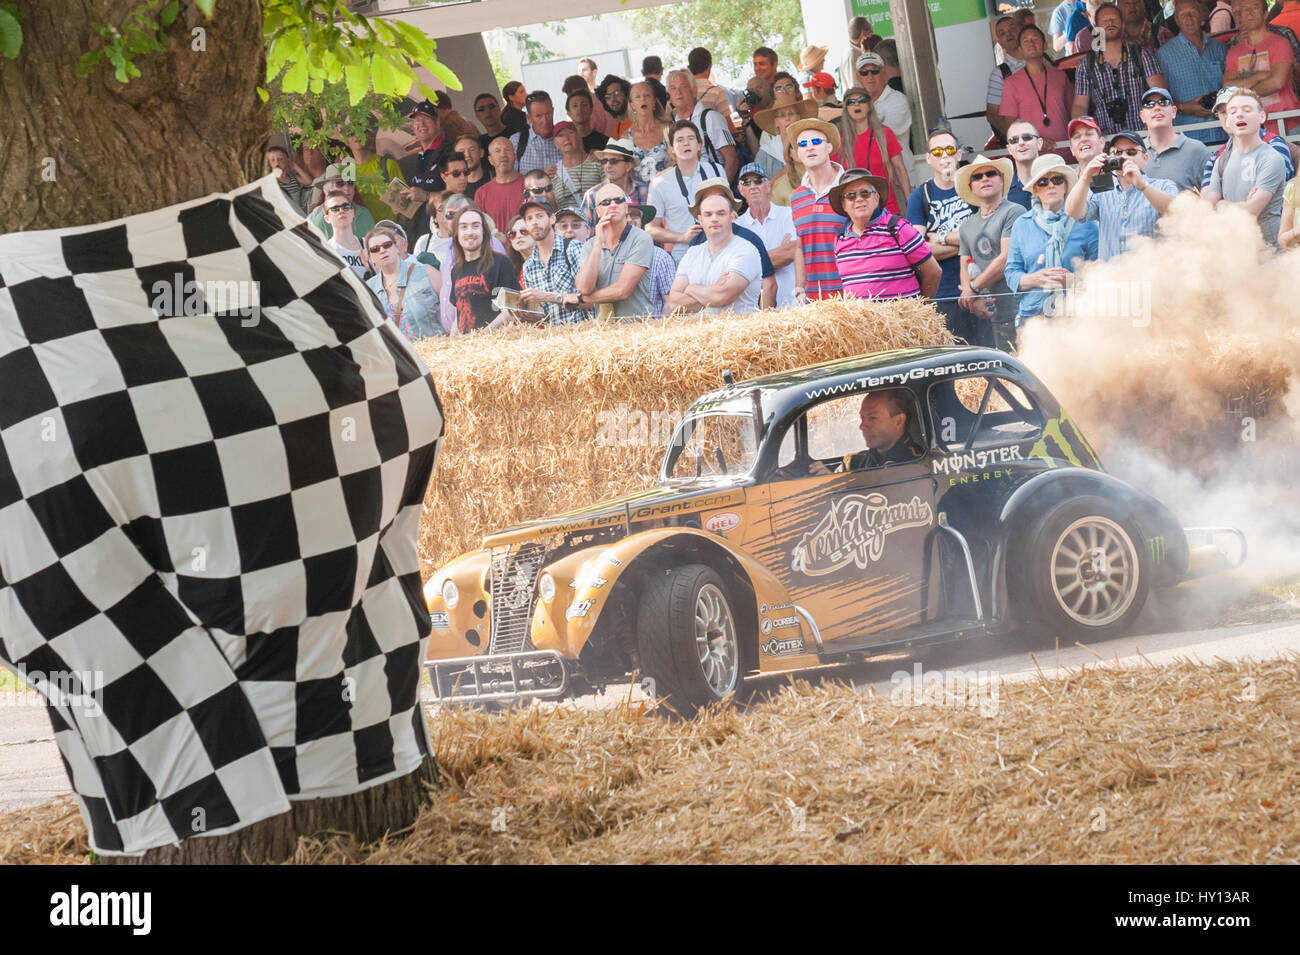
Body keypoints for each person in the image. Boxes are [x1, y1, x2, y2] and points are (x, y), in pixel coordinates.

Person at [1005, 155, 1100, 322]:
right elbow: (1011, 272)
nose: (1051, 185)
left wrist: (1073, 281)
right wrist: (1034, 278)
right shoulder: (1022, 224)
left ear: (1066, 185)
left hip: (1077, 315)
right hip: (1033, 317)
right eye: (1043, 181)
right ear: (1035, 189)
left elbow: (1102, 271)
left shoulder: (1086, 222)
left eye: (1057, 179)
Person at [907, 127, 977, 338]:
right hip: (942, 292)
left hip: (980, 288)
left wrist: (942, 239)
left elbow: (985, 239)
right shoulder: (920, 196)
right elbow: (919, 251)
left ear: (958, 154)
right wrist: (967, 241)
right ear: (928, 158)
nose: (944, 156)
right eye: (937, 152)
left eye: (949, 150)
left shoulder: (975, 187)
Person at [831, 167, 940, 301]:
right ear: (844, 205)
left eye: (865, 193)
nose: (858, 199)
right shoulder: (840, 238)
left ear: (876, 199)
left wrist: (921, 308)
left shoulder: (898, 228)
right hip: (859, 321)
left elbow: (933, 273)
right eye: (851, 195)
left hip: (901, 320)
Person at [1065, 130, 1178, 259]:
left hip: (1150, 275)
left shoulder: (1163, 185)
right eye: (1117, 153)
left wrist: (1142, 185)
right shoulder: (1101, 188)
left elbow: (1175, 210)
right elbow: (1072, 211)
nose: (1124, 157)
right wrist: (1085, 177)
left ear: (1145, 158)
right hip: (1111, 276)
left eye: (1131, 152)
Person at [955, 156, 1027, 351]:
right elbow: (965, 263)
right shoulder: (966, 225)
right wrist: (973, 299)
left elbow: (1006, 259)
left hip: (1017, 310)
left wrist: (973, 291)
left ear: (1002, 179)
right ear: (971, 186)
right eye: (977, 176)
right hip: (982, 313)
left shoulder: (1015, 211)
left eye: (990, 173)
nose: (984, 179)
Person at [1203, 88, 1287, 244]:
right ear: (1227, 120)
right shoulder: (1221, 160)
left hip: (1270, 254)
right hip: (1236, 253)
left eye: (1247, 110)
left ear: (1262, 116)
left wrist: (1223, 204)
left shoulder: (1271, 157)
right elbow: (1207, 209)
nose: (1239, 115)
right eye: (1232, 112)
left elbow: (1251, 211)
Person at [668, 183, 763, 315]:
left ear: (732, 217)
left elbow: (724, 296)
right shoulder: (692, 252)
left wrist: (691, 288)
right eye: (708, 214)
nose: (714, 219)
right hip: (699, 333)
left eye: (721, 213)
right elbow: (674, 303)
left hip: (737, 333)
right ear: (700, 220)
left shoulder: (745, 250)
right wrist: (713, 290)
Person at [1071, 3, 1166, 136]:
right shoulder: (1086, 64)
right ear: (1096, 28)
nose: (1110, 23)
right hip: (1107, 142)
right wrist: (1081, 134)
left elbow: (1160, 93)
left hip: (1143, 136)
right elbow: (1080, 106)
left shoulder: (1142, 54)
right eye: (1105, 21)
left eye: (1114, 19)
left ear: (1123, 25)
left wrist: (1154, 126)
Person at [574, 182, 657, 318]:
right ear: (598, 212)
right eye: (606, 202)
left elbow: (622, 290)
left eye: (618, 200)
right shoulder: (590, 245)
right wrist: (598, 244)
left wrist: (583, 299)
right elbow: (583, 288)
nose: (613, 205)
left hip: (638, 329)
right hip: (604, 329)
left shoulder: (641, 238)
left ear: (626, 208)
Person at [646, 122, 727, 262]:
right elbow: (650, 229)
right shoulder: (659, 183)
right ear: (671, 148)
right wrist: (682, 237)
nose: (686, 144)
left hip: (721, 250)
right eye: (680, 140)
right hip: (684, 257)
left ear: (699, 145)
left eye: (691, 138)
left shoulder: (716, 170)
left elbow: (730, 210)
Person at [788, 117, 847, 299]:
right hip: (813, 301)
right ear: (798, 153)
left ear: (829, 147)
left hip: (851, 297)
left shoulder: (850, 189)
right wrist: (799, 289)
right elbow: (800, 246)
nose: (809, 147)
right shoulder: (796, 197)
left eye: (815, 141)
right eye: (803, 144)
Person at [1157, 0, 1229, 143]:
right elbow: (1160, 98)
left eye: (1193, 13)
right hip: (1188, 136)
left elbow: (1231, 86)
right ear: (1176, 20)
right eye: (1183, 14)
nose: (1188, 18)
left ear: (1202, 17)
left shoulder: (1219, 48)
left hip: (1224, 130)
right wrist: (1184, 107)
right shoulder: (1164, 54)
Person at [807, 391, 924, 476]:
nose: (862, 426)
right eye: (862, 418)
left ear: (898, 421)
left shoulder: (917, 462)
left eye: (872, 418)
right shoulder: (853, 463)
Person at [517, 197, 593, 324]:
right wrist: (524, 315)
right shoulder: (528, 266)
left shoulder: (573, 248)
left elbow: (592, 299)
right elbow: (544, 316)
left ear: (552, 219)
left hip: (583, 335)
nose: (534, 222)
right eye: (529, 218)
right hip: (554, 340)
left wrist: (550, 297)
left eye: (539, 216)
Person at [736, 164, 803, 307]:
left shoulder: (789, 214)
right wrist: (779, 252)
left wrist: (752, 264)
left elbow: (794, 250)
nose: (753, 186)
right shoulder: (736, 226)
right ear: (740, 190)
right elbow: (738, 267)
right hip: (754, 311)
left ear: (768, 186)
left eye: (758, 180)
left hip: (792, 304)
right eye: (746, 183)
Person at [364, 225, 443, 340]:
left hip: (435, 351)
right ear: (370, 257)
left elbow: (453, 306)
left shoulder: (426, 272)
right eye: (375, 249)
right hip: (398, 356)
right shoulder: (369, 288)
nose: (382, 251)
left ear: (396, 248)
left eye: (387, 245)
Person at [1001, 25, 1075, 148]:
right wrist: (1034, 141)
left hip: (1065, 150)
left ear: (1045, 45)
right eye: (1026, 41)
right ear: (1020, 49)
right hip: (1033, 157)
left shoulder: (1060, 75)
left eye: (1035, 39)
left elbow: (1073, 113)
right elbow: (1010, 126)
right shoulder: (1010, 83)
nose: (1031, 43)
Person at [1223, 0, 1300, 118]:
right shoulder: (1234, 50)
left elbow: (1277, 82)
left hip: (1285, 119)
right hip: (1252, 122)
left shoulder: (1281, 42)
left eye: (1254, 7)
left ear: (1265, 14)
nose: (1249, 12)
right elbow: (1227, 87)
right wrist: (1259, 76)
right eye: (1244, 9)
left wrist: (1239, 94)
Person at [448, 207, 520, 333]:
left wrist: (483, 335)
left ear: (484, 232)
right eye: (463, 227)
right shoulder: (456, 271)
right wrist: (452, 343)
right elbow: (458, 317)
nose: (469, 232)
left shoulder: (501, 263)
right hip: (466, 348)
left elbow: (512, 309)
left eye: (475, 226)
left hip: (495, 345)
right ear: (456, 234)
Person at [666, 69, 739, 183]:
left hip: (714, 188)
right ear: (669, 96)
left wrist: (721, 192)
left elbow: (732, 160)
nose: (678, 92)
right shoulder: (674, 124)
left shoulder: (711, 118)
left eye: (684, 86)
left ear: (694, 91)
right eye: (673, 88)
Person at [1139, 87, 1212, 190]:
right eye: (1149, 104)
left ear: (1174, 111)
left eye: (1163, 102)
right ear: (1142, 116)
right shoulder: (1134, 152)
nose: (1156, 107)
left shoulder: (1196, 149)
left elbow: (1212, 196)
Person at [752, 90, 818, 199]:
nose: (787, 118)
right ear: (775, 122)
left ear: (799, 117)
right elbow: (757, 188)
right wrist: (786, 169)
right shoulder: (766, 152)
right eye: (782, 115)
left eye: (791, 113)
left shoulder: (810, 143)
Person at [855, 51, 913, 169]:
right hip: (872, 175)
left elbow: (882, 136)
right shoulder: (857, 102)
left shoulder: (898, 100)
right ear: (858, 77)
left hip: (900, 175)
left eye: (875, 71)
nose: (870, 77)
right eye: (864, 72)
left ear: (884, 73)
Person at [580, 139, 648, 226]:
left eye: (613, 161)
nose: (608, 165)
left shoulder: (645, 190)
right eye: (604, 161)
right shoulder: (592, 194)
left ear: (628, 166)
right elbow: (586, 231)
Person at [987, 15, 1027, 145]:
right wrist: (1017, 140)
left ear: (1021, 29)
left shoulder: (1043, 60)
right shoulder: (1000, 74)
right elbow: (993, 114)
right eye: (1002, 33)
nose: (1008, 34)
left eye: (1012, 29)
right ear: (999, 41)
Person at [307, 164, 376, 240]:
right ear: (329, 189)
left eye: (350, 183)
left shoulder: (364, 214)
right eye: (340, 183)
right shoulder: (318, 219)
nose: (346, 188)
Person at [627, 81, 672, 189]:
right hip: (639, 198)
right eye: (637, 97)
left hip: (668, 191)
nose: (643, 99)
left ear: (654, 101)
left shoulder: (669, 129)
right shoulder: (625, 136)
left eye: (647, 95)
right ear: (632, 105)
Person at [474, 137, 526, 232]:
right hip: (495, 247)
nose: (503, 155)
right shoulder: (482, 193)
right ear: (490, 160)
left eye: (507, 150)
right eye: (497, 151)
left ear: (515, 156)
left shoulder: (529, 185)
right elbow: (480, 229)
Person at [551, 121, 604, 211]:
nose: (566, 138)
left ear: (579, 137)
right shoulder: (553, 173)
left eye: (571, 133)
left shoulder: (597, 162)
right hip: (568, 223)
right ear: (555, 144)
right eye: (561, 135)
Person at [511, 92, 563, 177]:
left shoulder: (565, 138)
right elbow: (512, 179)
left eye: (548, 114)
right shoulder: (517, 141)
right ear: (529, 118)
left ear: (553, 111)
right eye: (538, 116)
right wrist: (539, 176)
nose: (545, 121)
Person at [322, 190, 368, 280]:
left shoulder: (369, 245)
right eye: (335, 208)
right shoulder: (327, 251)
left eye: (346, 207)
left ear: (353, 212)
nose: (341, 211)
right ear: (327, 218)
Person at [1005, 119, 1044, 206]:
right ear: (1009, 149)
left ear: (1039, 143)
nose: (1021, 143)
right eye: (1014, 140)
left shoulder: (1057, 182)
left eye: (1027, 137)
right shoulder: (1002, 191)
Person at [839, 15, 880, 90]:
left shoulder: (853, 53)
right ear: (864, 33)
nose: (872, 32)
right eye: (871, 30)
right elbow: (855, 86)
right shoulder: (852, 55)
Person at [267, 145, 310, 213]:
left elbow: (308, 181)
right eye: (272, 160)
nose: (277, 163)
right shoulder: (271, 182)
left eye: (280, 159)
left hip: (298, 211)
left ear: (287, 161)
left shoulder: (292, 177)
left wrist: (295, 167)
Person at [566, 89, 609, 154]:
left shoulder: (606, 142)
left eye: (584, 105)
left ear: (591, 110)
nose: (579, 109)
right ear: (569, 113)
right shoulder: (565, 142)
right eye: (575, 106)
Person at [453, 134, 489, 198]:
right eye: (462, 151)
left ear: (481, 152)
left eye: (472, 150)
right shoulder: (452, 188)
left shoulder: (496, 178)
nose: (467, 155)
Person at [504, 214, 534, 285]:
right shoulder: (509, 268)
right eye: (512, 234)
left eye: (524, 231)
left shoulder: (549, 261)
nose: (518, 236)